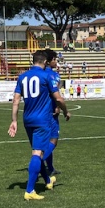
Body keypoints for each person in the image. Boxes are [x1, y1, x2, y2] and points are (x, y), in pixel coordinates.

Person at [8, 50, 68, 200]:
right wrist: (66, 111)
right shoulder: (47, 76)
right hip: (42, 119)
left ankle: (47, 180)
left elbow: (16, 100)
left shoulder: (22, 77)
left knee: (38, 151)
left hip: (27, 119)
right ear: (45, 62)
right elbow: (58, 99)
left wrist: (14, 121)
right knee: (37, 153)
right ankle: (30, 190)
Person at [43, 49, 66, 181]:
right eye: (55, 60)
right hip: (51, 112)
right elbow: (55, 94)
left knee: (46, 142)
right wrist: (58, 106)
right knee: (53, 140)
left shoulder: (40, 73)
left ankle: (50, 168)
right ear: (49, 61)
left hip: (40, 112)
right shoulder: (53, 75)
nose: (56, 62)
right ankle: (39, 161)